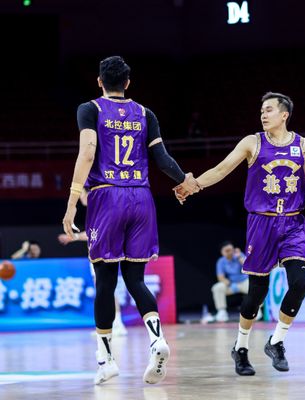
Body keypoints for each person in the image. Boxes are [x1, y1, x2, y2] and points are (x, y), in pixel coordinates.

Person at [61, 56, 199, 385]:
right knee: (136, 279)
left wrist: (71, 203)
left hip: (107, 197)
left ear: (99, 81)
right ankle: (157, 340)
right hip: (141, 198)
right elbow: (162, 159)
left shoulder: (90, 109)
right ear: (128, 83)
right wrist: (184, 181)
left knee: (105, 281)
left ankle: (106, 360)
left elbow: (88, 153)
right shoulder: (145, 113)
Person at [176, 92, 305, 376]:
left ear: (284, 115)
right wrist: (194, 185)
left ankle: (276, 342)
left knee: (300, 284)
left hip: (293, 223)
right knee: (257, 293)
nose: (263, 114)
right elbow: (221, 169)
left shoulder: (303, 144)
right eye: (261, 110)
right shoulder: (252, 142)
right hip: (261, 224)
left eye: (269, 110)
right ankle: (241, 347)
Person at [58, 189, 128, 336]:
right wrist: (74, 237)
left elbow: (96, 232)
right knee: (103, 290)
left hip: (104, 251)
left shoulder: (99, 207)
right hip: (98, 251)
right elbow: (93, 233)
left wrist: (74, 237)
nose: (80, 199)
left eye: (81, 195)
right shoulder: (95, 209)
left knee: (106, 288)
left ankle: (117, 324)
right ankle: (108, 326)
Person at [208, 241, 253, 323]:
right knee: (217, 287)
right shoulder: (221, 261)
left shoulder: (239, 255)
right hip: (232, 284)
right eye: (227, 251)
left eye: (231, 250)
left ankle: (255, 311)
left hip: (244, 281)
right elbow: (220, 277)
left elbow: (248, 267)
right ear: (222, 252)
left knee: (255, 287)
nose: (230, 252)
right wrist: (227, 282)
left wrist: (239, 257)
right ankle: (222, 312)